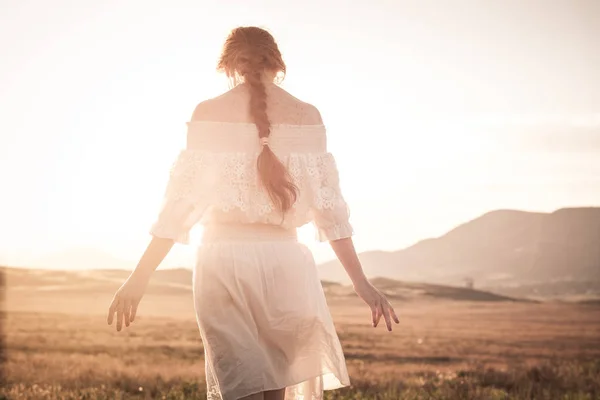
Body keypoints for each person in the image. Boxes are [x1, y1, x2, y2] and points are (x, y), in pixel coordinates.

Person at [107, 26, 399, 400]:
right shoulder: (308, 116)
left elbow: (178, 211)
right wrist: (362, 284)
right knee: (276, 389)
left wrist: (139, 278)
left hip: (224, 262)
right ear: (277, 64)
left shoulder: (207, 113)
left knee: (239, 386)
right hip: (288, 265)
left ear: (228, 65)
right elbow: (332, 214)